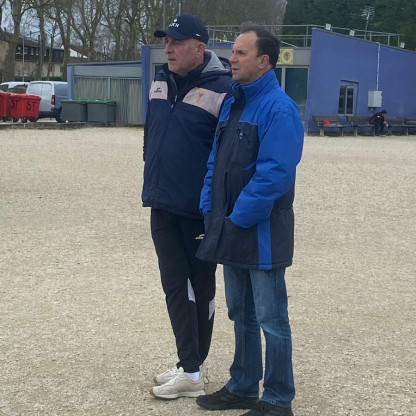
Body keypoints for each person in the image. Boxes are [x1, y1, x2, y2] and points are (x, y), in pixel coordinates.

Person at [195, 23, 304, 416]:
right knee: (240, 313)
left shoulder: (280, 108)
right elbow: (216, 160)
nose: (232, 58)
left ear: (264, 61)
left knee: (272, 320)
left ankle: (277, 398)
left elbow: (275, 174)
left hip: (261, 233)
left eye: (241, 52)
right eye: (233, 52)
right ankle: (243, 386)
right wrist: (209, 205)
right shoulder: (233, 102)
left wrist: (238, 217)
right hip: (229, 226)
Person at [141, 14, 232, 400]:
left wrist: (215, 204)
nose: (168, 48)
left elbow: (226, 153)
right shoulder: (160, 80)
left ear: (199, 47)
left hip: (198, 209)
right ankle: (189, 364)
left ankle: (193, 368)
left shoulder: (224, 88)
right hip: (160, 202)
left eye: (176, 42)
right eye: (166, 42)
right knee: (175, 286)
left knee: (200, 288)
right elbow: (152, 132)